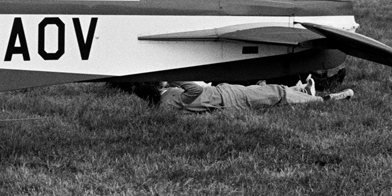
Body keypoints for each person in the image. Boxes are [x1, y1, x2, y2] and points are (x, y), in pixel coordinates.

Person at [132, 79, 353, 112]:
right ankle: (325, 99)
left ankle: (301, 89)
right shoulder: (169, 95)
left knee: (261, 88)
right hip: (226, 98)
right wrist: (176, 77)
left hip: (224, 95)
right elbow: (195, 91)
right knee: (275, 93)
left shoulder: (162, 104)